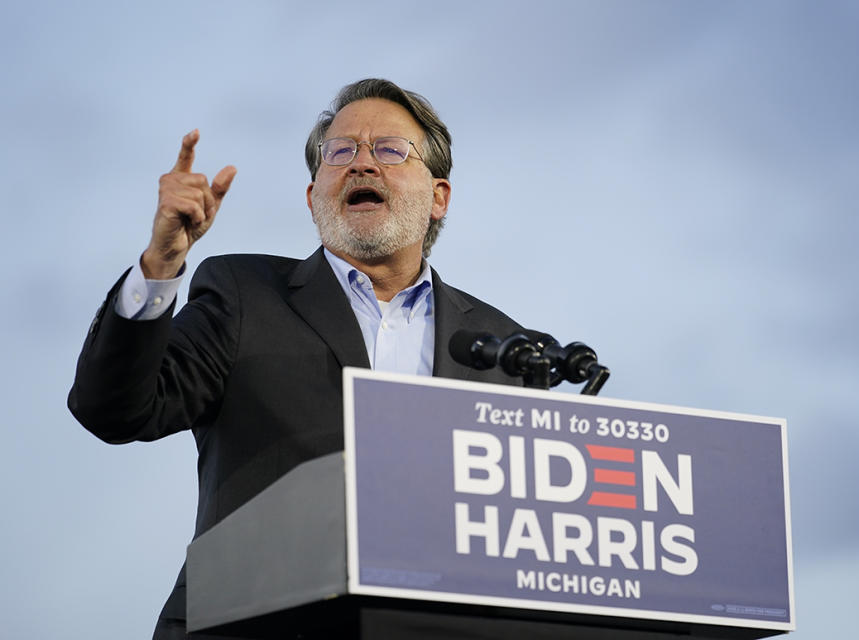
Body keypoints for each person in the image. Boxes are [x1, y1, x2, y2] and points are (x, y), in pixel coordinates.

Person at [68, 78, 524, 639]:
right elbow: (115, 409)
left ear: (438, 197)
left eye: (388, 150)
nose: (361, 165)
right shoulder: (244, 293)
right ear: (313, 198)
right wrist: (160, 262)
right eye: (341, 152)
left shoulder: (505, 349)